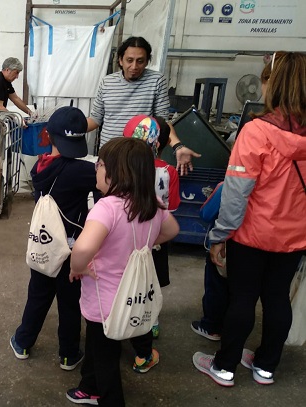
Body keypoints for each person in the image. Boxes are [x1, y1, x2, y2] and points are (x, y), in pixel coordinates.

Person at [193, 51, 306, 387]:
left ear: (274, 83)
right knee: (277, 299)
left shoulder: (257, 131)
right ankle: (266, 367)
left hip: (251, 235)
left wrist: (219, 236)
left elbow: (236, 194)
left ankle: (225, 367)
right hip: (295, 238)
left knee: (242, 299)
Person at [65, 137, 179, 406]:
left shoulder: (107, 207)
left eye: (100, 163)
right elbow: (173, 230)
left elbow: (82, 249)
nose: (96, 169)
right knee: (98, 343)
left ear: (117, 171)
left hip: (105, 300)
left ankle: (108, 398)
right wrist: (145, 244)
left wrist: (77, 268)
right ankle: (89, 385)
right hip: (133, 296)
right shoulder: (150, 204)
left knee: (105, 355)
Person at [10, 106, 99, 371]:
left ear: (48, 136)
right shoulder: (83, 171)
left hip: (44, 245)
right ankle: (69, 355)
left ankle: (23, 343)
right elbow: (105, 187)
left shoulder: (40, 166)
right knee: (70, 303)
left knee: (37, 296)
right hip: (71, 250)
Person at [86, 36, 200, 175]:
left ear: (147, 62)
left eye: (140, 61)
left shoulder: (156, 80)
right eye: (129, 60)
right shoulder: (107, 82)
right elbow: (95, 119)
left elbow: (162, 122)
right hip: (109, 156)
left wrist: (178, 146)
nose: (134, 67)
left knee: (137, 196)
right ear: (120, 60)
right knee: (105, 195)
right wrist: (66, 130)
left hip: (139, 159)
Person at [123, 115, 180, 340]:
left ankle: (124, 315)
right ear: (163, 143)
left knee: (125, 278)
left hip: (125, 235)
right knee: (151, 280)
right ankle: (150, 321)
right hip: (155, 238)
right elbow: (172, 207)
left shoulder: (123, 168)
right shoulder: (170, 172)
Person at [190, 182, 227, 341]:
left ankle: (211, 327)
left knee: (216, 287)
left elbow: (206, 213)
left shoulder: (228, 185)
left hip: (225, 247)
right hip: (258, 250)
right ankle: (233, 329)